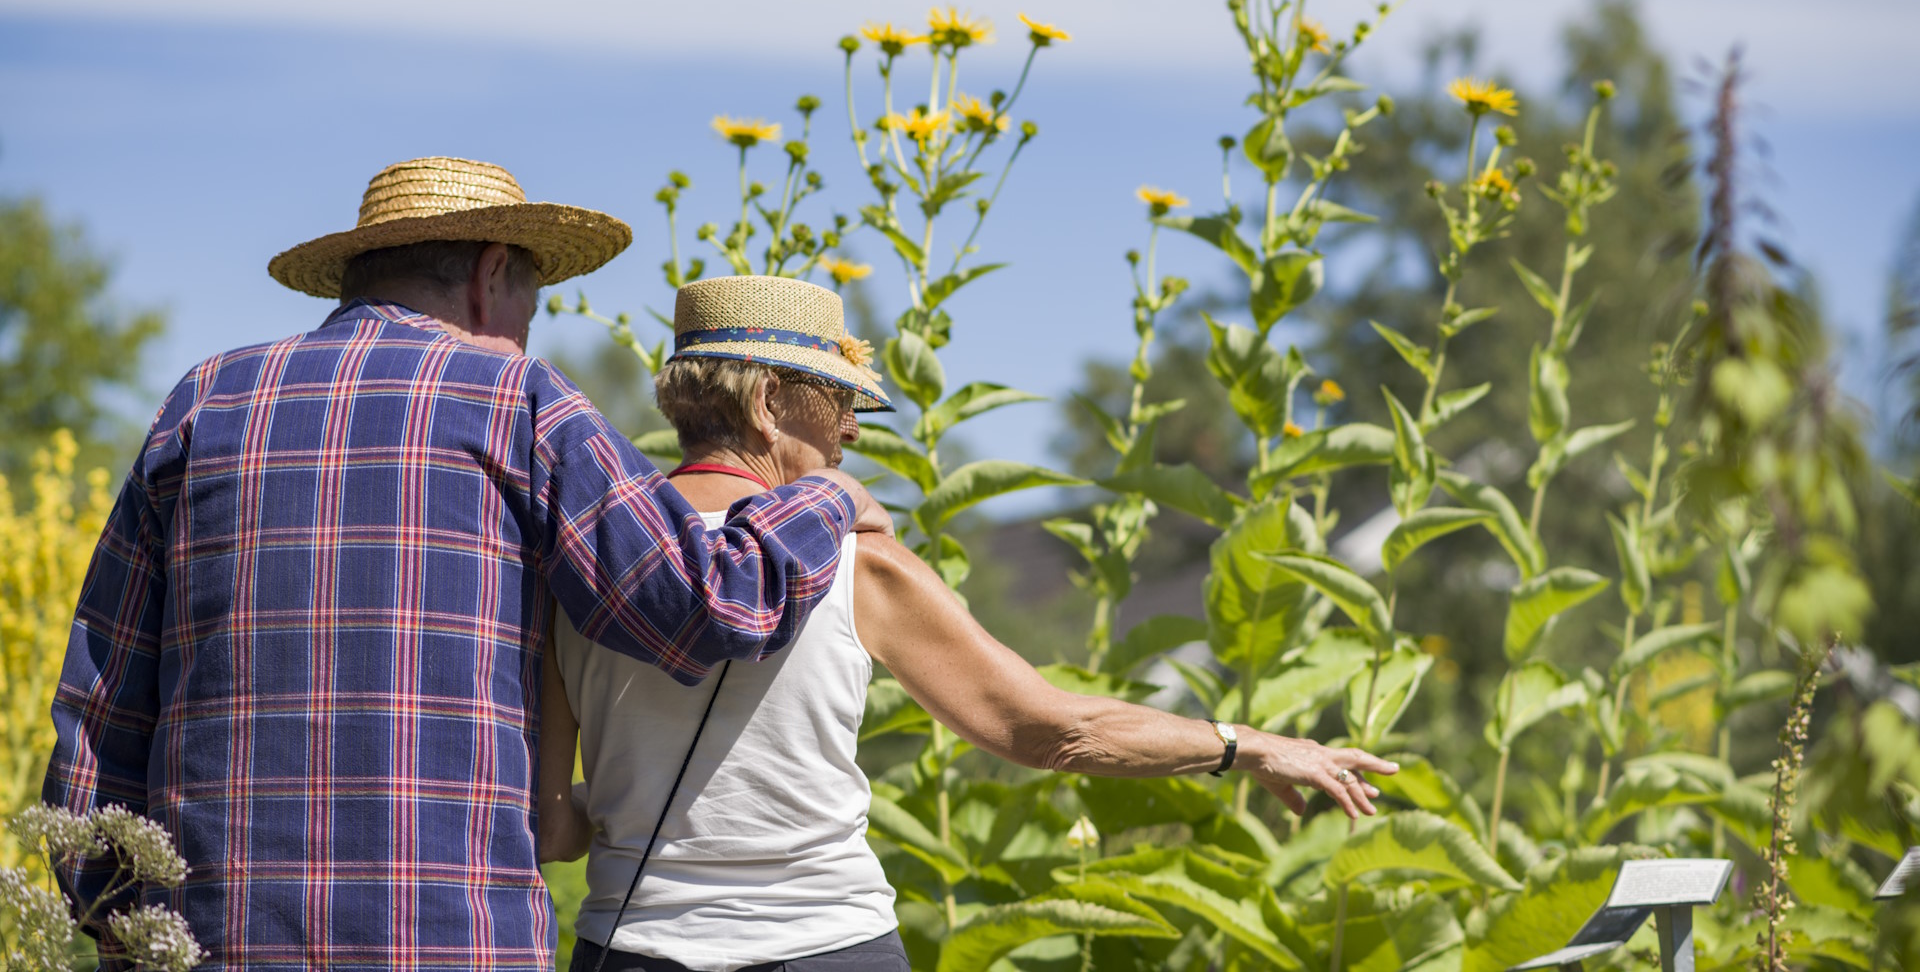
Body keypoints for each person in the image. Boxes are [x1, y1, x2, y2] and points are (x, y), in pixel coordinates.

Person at [42, 158, 892, 971]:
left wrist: (127, 936)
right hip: (447, 937)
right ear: (492, 274)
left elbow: (101, 713)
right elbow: (713, 609)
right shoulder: (519, 399)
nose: (530, 327)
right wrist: (832, 498)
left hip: (214, 939)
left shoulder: (206, 400)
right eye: (534, 297)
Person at [540, 275, 1398, 972]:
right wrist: (1244, 744)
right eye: (838, 398)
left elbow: (554, 829)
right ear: (769, 401)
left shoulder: (578, 568)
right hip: (826, 951)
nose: (849, 431)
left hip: (631, 947)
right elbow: (1050, 731)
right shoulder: (857, 561)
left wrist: (626, 796)